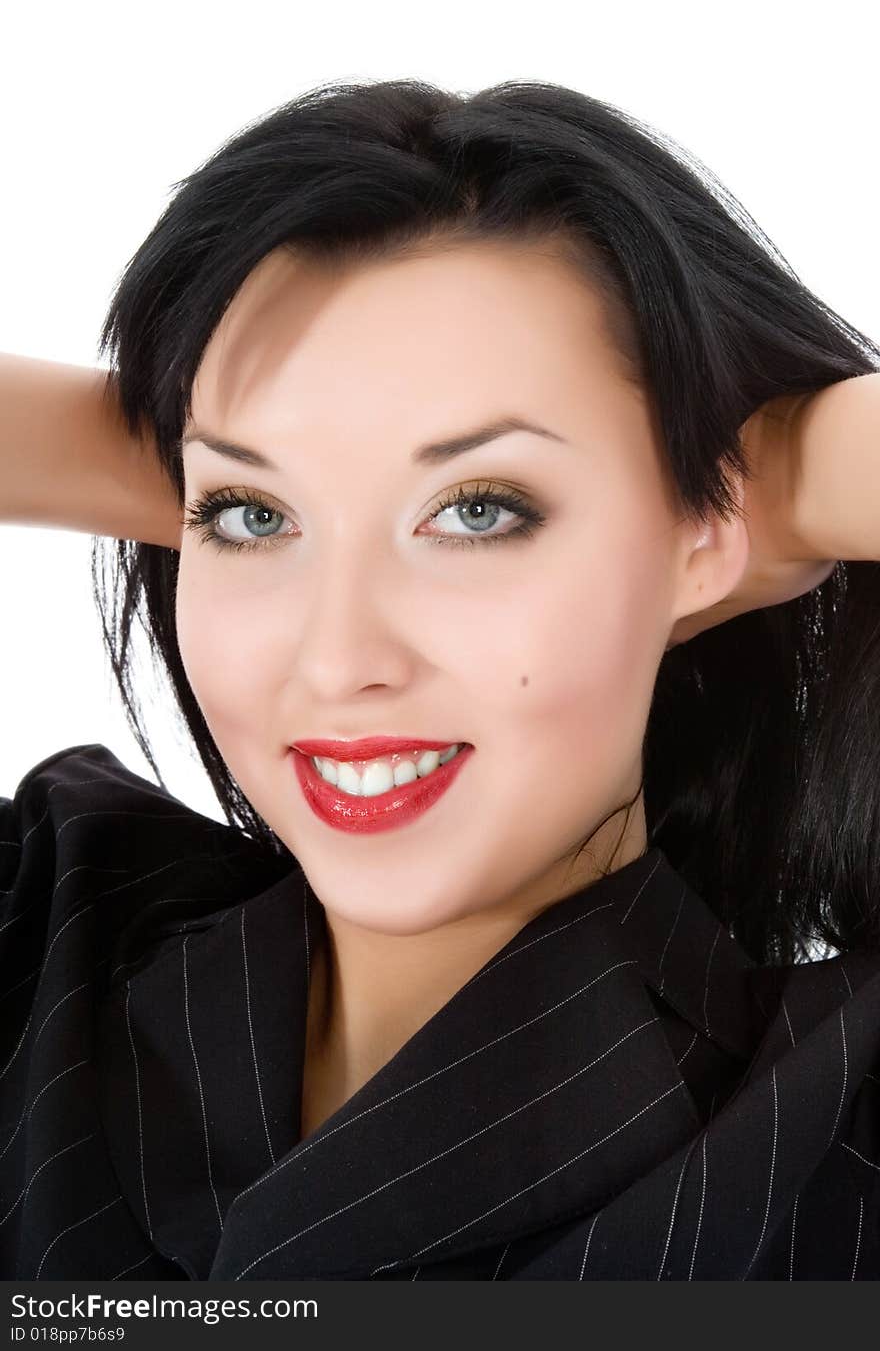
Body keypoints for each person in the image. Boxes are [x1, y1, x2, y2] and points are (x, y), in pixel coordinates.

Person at [2, 77, 879, 1281]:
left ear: (706, 532)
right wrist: (185, 435)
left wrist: (783, 474)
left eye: (476, 510)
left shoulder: (830, 1124)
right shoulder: (51, 924)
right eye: (248, 517)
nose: (339, 658)